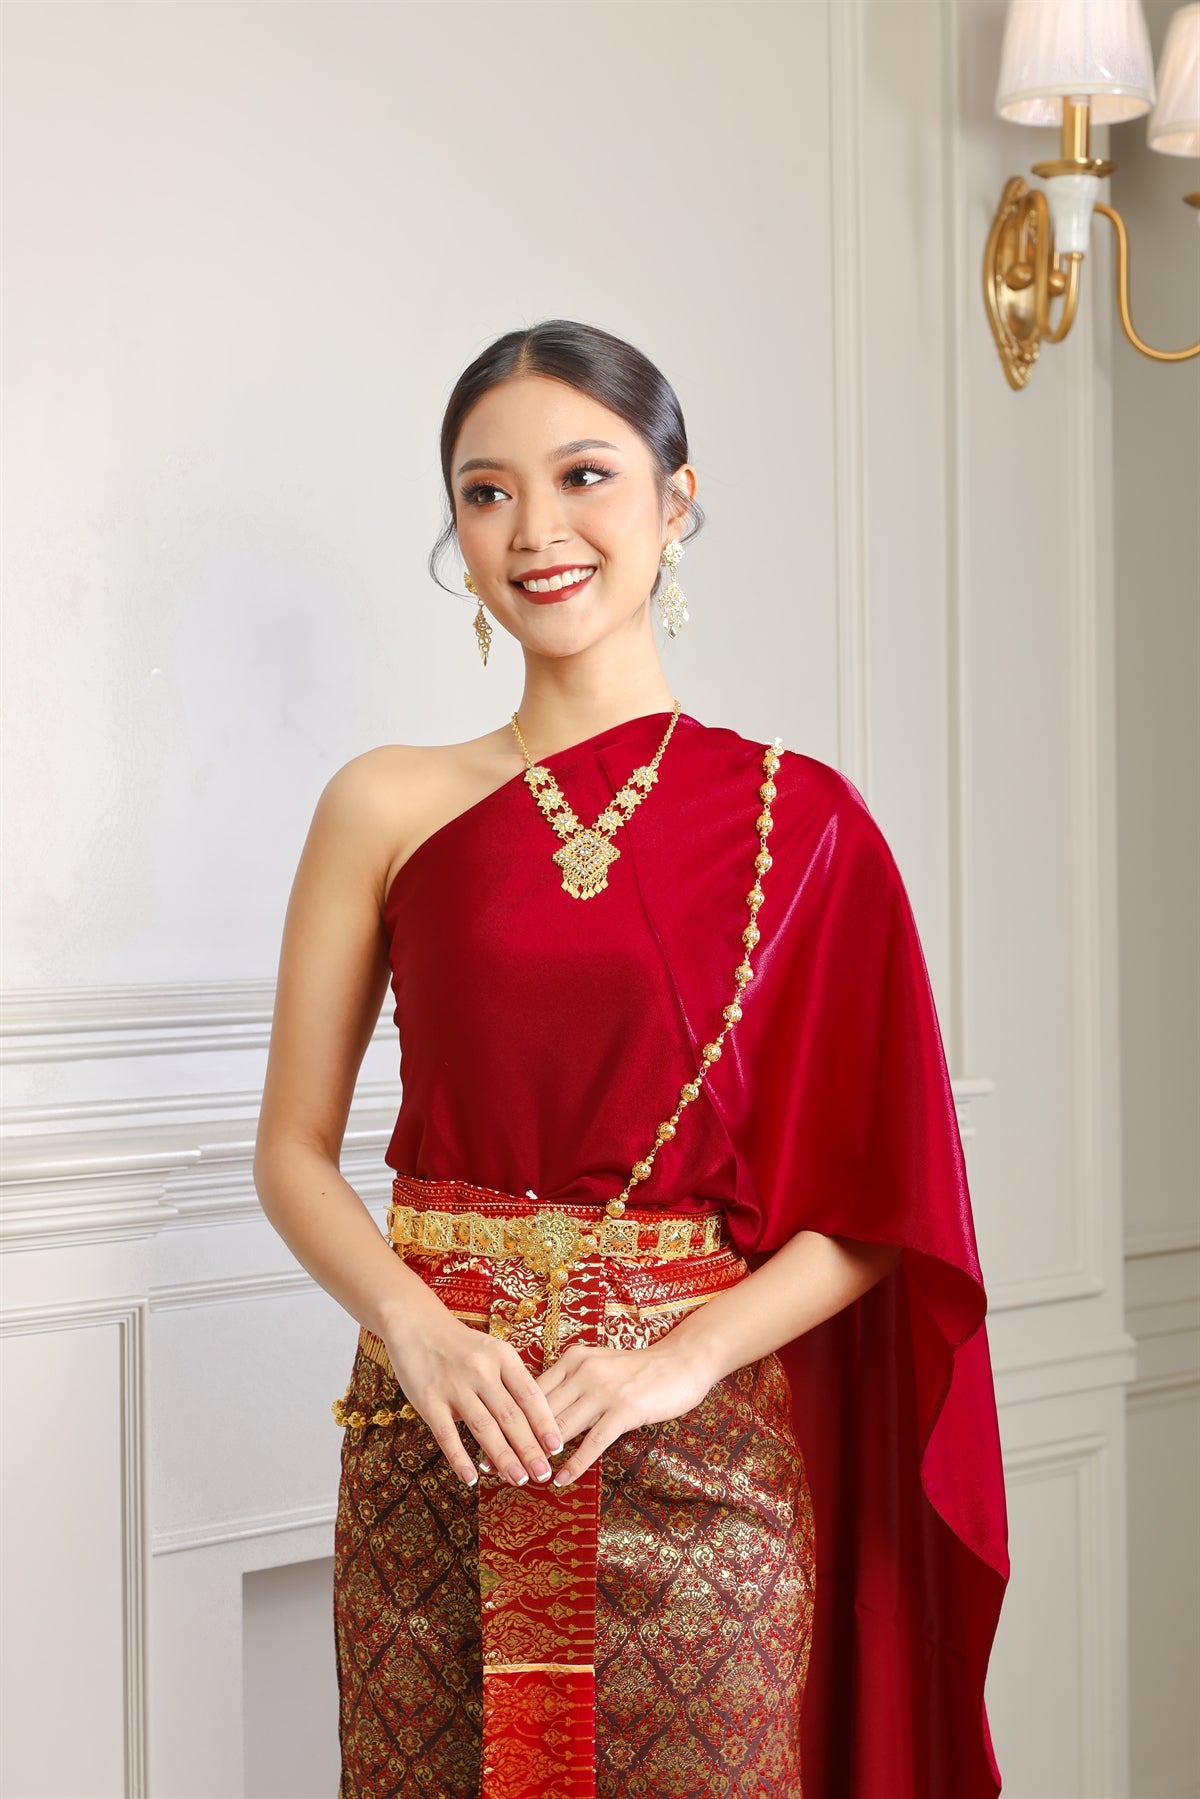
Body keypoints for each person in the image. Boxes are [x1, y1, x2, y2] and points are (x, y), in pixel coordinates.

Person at [253, 318, 1010, 1799]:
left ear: (676, 501)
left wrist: (674, 1367)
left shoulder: (810, 826)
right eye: (485, 492)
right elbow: (291, 1153)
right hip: (439, 1447)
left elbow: (878, 1210)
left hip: (698, 1464)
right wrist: (414, 1332)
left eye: (584, 475)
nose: (535, 530)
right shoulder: (384, 803)